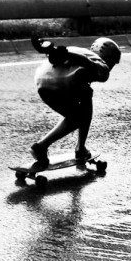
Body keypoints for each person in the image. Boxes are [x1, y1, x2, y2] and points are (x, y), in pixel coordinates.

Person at [30, 37, 121, 169]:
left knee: (86, 94)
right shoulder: (103, 67)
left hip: (42, 82)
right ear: (110, 58)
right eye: (113, 63)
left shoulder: (81, 50)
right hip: (61, 83)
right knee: (79, 117)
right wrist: (66, 55)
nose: (112, 67)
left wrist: (57, 52)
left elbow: (75, 60)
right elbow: (86, 62)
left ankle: (81, 147)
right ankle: (41, 146)